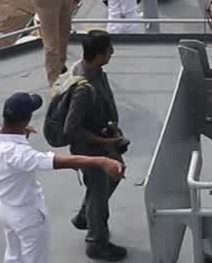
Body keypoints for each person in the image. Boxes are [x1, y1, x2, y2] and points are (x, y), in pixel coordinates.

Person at [0, 92, 123, 263]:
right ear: (26, 119)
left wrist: (2, 198)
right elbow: (58, 161)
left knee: (13, 256)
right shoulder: (20, 154)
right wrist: (102, 161)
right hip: (27, 216)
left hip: (5, 209)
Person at [65, 32, 130, 260]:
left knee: (113, 176)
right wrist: (104, 142)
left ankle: (85, 215)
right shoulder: (84, 87)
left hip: (103, 141)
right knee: (99, 191)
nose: (112, 53)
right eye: (109, 50)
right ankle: (96, 242)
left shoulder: (96, 73)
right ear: (99, 54)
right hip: (90, 150)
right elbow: (70, 129)